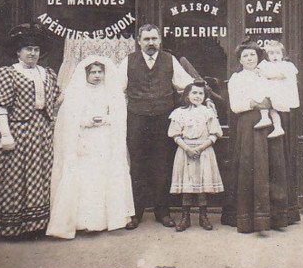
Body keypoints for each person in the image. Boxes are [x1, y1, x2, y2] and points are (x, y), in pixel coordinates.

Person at [0, 23, 60, 238]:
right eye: (28, 49)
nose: (32, 53)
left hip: (43, 132)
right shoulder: (7, 74)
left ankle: (37, 225)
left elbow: (56, 101)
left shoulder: (48, 74)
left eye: (36, 50)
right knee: (15, 178)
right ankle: (12, 226)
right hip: (17, 131)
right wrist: (6, 134)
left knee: (40, 177)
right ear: (18, 52)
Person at [47, 56, 135, 239]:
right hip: (85, 139)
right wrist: (86, 121)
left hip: (104, 139)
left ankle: (102, 220)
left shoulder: (111, 92)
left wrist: (106, 119)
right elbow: (69, 118)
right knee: (86, 177)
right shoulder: (78, 92)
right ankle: (83, 220)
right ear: (86, 74)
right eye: (93, 72)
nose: (96, 76)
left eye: (99, 72)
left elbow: (119, 116)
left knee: (102, 176)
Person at [120, 24, 195, 229]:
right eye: (146, 39)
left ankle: (163, 212)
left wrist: (192, 108)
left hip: (163, 119)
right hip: (137, 119)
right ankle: (135, 212)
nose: (151, 43)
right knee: (137, 165)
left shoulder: (169, 60)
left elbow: (186, 86)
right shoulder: (128, 61)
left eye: (154, 39)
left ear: (160, 40)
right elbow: (117, 90)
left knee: (162, 165)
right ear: (139, 41)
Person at [222, 41, 299, 234]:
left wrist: (271, 102)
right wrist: (256, 103)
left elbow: (282, 92)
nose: (250, 59)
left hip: (271, 124)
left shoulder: (266, 74)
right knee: (251, 166)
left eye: (253, 55)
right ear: (240, 60)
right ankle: (251, 218)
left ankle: (276, 217)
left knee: (273, 166)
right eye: (246, 56)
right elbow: (235, 106)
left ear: (258, 57)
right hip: (249, 124)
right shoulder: (237, 78)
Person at [168, 80, 224, 232]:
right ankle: (185, 218)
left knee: (202, 185)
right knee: (187, 184)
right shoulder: (179, 113)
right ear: (187, 95)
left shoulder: (208, 112)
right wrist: (187, 148)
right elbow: (175, 135)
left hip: (204, 151)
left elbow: (214, 134)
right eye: (194, 93)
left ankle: (203, 216)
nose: (197, 96)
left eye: (200, 93)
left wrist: (200, 148)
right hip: (185, 151)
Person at [254, 40, 300, 138]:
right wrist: (259, 72)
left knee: (272, 106)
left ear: (282, 54)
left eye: (277, 53)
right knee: (270, 108)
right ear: (267, 55)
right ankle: (274, 125)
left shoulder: (286, 65)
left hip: (280, 93)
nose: (274, 56)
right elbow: (257, 71)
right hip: (270, 93)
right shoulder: (266, 64)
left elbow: (281, 75)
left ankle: (276, 125)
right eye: (271, 53)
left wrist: (268, 75)